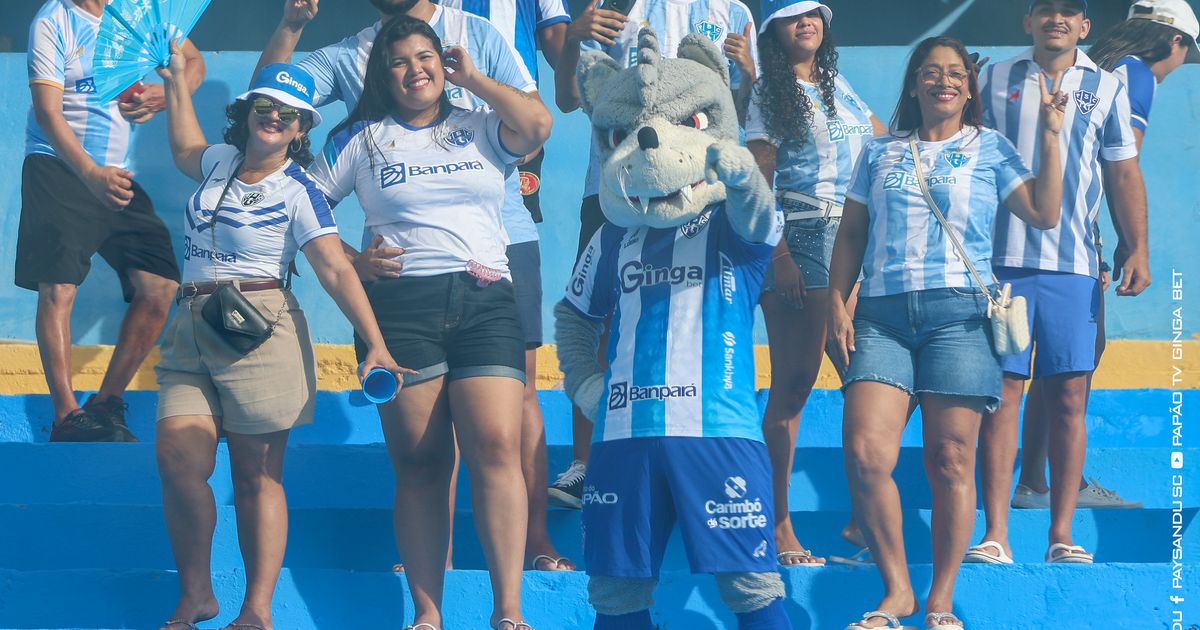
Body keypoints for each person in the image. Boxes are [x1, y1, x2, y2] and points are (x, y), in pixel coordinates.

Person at [254, 0, 570, 573]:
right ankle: (436, 561)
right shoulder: (351, 71)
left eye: (425, 58)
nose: (415, 68)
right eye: (401, 62)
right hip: (405, 293)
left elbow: (537, 123)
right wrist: (353, 259)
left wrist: (467, 76)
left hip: (498, 250)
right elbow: (271, 98)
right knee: (425, 453)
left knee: (512, 408)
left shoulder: (474, 34)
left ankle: (536, 543)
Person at [154, 54, 404, 630]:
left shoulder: (300, 190)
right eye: (264, 106)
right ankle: (196, 594)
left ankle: (256, 611)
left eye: (289, 113)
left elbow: (336, 269)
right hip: (192, 322)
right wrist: (174, 88)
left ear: (300, 130)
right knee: (176, 459)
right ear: (245, 113)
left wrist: (375, 343)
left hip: (259, 327)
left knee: (255, 475)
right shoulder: (218, 162)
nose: (274, 117)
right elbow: (184, 146)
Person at [829, 35, 1065, 629]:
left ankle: (939, 599)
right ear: (913, 84)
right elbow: (852, 233)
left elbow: (1043, 212)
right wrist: (838, 301)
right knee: (864, 454)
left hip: (962, 317)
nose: (944, 81)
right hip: (881, 317)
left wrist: (1054, 139)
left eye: (956, 73)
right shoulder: (879, 152)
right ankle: (897, 592)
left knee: (952, 458)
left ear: (969, 87)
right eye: (931, 72)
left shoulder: (991, 148)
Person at [548, 0, 759, 510]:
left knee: (704, 312)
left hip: (701, 189)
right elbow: (568, 98)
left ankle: (702, 450)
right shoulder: (613, 6)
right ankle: (586, 460)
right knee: (601, 319)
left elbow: (739, 113)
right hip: (617, 191)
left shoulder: (733, 11)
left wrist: (749, 79)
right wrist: (574, 36)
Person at [970, 0, 1150, 567]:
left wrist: (1137, 246)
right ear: (1028, 21)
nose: (1057, 20)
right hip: (998, 264)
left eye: (1069, 12)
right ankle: (995, 533)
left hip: (1073, 266)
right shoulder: (991, 77)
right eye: (1045, 10)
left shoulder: (1109, 86)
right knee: (1003, 396)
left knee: (1070, 396)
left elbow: (1122, 168)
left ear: (1085, 26)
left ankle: (1061, 534)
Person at [1002, 0, 1199, 516]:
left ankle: (1036, 479)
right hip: (1058, 245)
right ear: (1175, 42)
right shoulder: (1136, 76)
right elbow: (1118, 165)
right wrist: (1130, 244)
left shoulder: (1105, 67)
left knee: (1059, 363)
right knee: (1075, 361)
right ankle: (1043, 478)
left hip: (1053, 242)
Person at [17, 0, 204, 442]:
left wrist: (170, 92)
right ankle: (67, 415)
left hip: (114, 172)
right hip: (58, 166)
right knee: (59, 287)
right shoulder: (53, 20)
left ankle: (106, 403)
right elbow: (47, 112)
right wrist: (89, 175)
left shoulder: (137, 13)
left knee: (161, 287)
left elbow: (192, 61)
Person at [744, 0, 887, 567]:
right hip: (800, 236)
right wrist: (777, 256)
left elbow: (885, 143)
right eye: (792, 15)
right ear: (773, 29)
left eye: (814, 14)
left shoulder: (839, 84)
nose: (806, 22)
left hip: (854, 239)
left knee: (869, 381)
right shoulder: (766, 93)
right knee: (795, 384)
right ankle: (777, 525)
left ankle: (862, 519)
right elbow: (758, 179)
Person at [438, 0, 578, 572]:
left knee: (519, 390)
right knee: (434, 393)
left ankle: (536, 538)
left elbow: (539, 123)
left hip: (507, 226)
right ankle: (435, 548)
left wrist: (477, 91)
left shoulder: (501, 22)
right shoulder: (398, 29)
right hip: (428, 239)